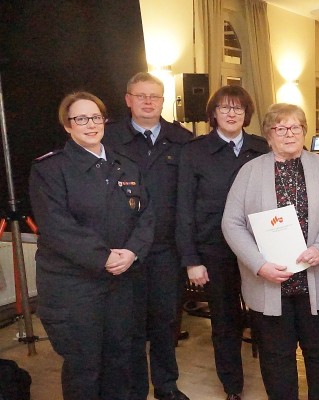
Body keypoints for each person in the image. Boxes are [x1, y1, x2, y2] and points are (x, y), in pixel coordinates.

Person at [29, 92, 154, 400]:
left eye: (96, 117)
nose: (90, 124)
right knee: (84, 367)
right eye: (80, 118)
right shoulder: (49, 170)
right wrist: (105, 257)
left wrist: (132, 252)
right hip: (74, 288)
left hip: (121, 283)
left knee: (120, 361)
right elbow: (58, 228)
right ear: (67, 126)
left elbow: (147, 215)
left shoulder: (126, 165)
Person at [221, 103, 319, 399]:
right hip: (268, 281)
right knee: (276, 357)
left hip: (315, 277)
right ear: (268, 134)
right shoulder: (250, 171)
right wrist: (259, 264)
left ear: (304, 131)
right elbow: (231, 223)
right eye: (280, 128)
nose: (289, 133)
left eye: (295, 127)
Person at [103, 72, 193, 400]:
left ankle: (167, 387)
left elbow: (187, 197)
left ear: (163, 100)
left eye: (154, 96)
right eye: (141, 96)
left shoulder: (182, 139)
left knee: (166, 321)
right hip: (123, 248)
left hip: (166, 248)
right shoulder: (108, 138)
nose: (148, 102)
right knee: (130, 326)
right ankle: (135, 389)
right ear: (128, 99)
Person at [176, 86, 269, 400]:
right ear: (213, 113)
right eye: (225, 108)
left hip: (260, 249)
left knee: (266, 318)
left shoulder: (262, 147)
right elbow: (184, 208)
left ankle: (276, 381)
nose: (232, 114)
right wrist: (191, 259)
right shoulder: (194, 151)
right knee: (226, 323)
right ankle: (233, 387)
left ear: (247, 114)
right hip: (214, 250)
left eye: (238, 108)